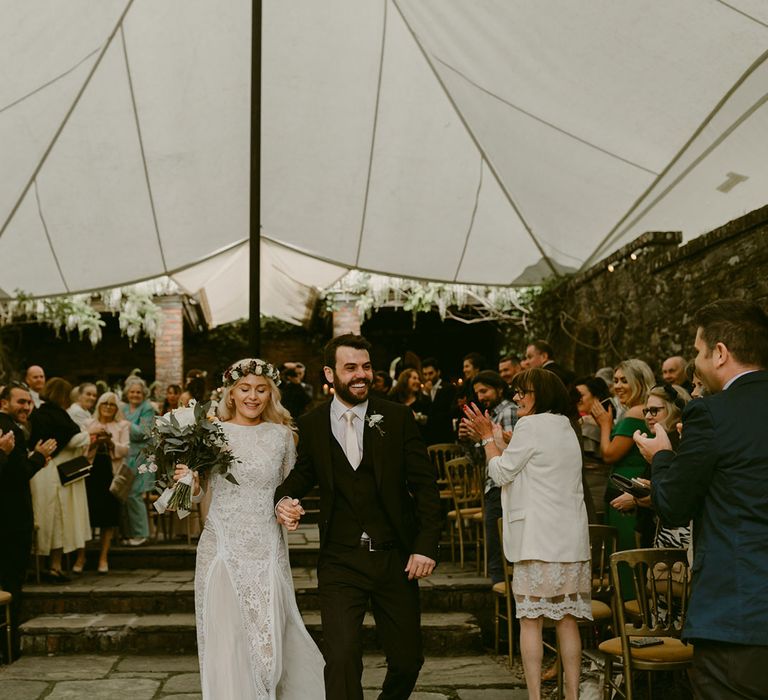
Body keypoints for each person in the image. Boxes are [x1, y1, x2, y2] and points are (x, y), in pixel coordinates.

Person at [274, 334, 441, 700]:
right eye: (351, 368)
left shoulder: (396, 417)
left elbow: (426, 487)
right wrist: (283, 500)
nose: (361, 374)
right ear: (330, 374)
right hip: (340, 560)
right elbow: (299, 478)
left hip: (395, 557)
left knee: (407, 660)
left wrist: (425, 546)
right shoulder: (313, 424)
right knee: (342, 658)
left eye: (366, 367)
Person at [635, 299, 768, 700]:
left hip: (737, 607)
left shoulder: (710, 413)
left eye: (697, 350)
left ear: (721, 352)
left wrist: (661, 456)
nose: (695, 360)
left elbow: (674, 505)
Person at [175, 358, 323, 698]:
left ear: (271, 394)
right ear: (231, 393)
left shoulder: (283, 436)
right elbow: (196, 496)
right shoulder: (211, 434)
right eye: (245, 389)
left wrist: (289, 508)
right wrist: (188, 482)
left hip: (266, 546)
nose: (252, 397)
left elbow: (287, 491)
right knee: (226, 641)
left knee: (269, 645)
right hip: (222, 545)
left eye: (261, 390)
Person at [463, 368, 590, 700]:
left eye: (523, 392)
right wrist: (502, 439)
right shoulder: (565, 425)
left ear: (541, 395)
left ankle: (535, 696)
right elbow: (536, 463)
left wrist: (488, 440)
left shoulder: (531, 426)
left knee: (530, 621)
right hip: (569, 541)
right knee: (566, 620)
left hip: (537, 539)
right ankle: (572, 695)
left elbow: (502, 472)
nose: (516, 397)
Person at [0, 382, 56, 660]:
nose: (26, 407)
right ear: (4, 403)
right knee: (11, 580)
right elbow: (15, 475)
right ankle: (8, 647)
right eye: (20, 402)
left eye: (28, 402)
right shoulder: (9, 429)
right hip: (10, 519)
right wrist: (39, 457)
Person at [29, 378, 91, 579]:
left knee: (41, 515)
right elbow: (72, 438)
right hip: (52, 472)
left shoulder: (38, 414)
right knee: (56, 516)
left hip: (38, 470)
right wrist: (90, 434)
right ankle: (54, 565)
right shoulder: (57, 415)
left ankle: (38, 565)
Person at [590, 359, 654, 554]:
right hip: (626, 489)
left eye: (624, 381)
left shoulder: (636, 413)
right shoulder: (637, 410)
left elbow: (609, 454)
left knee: (625, 555)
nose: (617, 386)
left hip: (627, 491)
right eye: (616, 381)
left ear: (640, 383)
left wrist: (605, 424)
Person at [461, 370, 517, 585]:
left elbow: (509, 456)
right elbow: (480, 460)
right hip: (492, 484)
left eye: (485, 391)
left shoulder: (508, 412)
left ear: (500, 389)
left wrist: (483, 438)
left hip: (501, 486)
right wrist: (471, 440)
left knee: (498, 548)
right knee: (495, 547)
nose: (481, 396)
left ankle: (506, 610)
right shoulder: (492, 415)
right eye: (478, 393)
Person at [85, 392, 129, 574]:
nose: (108, 407)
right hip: (91, 472)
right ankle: (82, 556)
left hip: (110, 471)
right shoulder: (89, 424)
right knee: (87, 514)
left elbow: (126, 449)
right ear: (99, 405)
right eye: (105, 404)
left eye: (112, 405)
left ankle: (103, 557)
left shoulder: (122, 425)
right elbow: (81, 447)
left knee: (108, 516)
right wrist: (95, 442)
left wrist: (111, 443)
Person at [122, 375, 156, 546]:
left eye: (138, 392)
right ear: (127, 393)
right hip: (125, 456)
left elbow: (144, 432)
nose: (135, 395)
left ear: (144, 394)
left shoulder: (147, 408)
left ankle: (141, 534)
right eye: (132, 392)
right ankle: (128, 533)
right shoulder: (124, 408)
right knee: (124, 494)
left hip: (143, 456)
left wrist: (126, 425)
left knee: (134, 494)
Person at [388, 368, 431, 437]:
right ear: (405, 380)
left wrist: (418, 417)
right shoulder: (393, 398)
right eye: (414, 378)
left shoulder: (424, 400)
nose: (418, 381)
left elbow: (430, 422)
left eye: (418, 379)